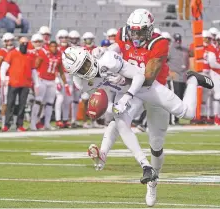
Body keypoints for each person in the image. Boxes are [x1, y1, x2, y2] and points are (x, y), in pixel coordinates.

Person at [87, 9, 212, 207]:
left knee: (177, 123)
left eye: (140, 32)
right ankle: (103, 153)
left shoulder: (159, 42)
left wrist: (120, 78)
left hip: (152, 88)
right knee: (120, 119)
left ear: (149, 30)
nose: (135, 36)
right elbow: (115, 50)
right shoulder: (122, 34)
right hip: (130, 87)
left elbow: (147, 77)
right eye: (133, 32)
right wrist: (104, 55)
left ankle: (193, 80)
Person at [0, 37, 38, 132]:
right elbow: (4, 66)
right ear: (19, 43)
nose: (24, 45)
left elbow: (33, 70)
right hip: (14, 82)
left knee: (22, 104)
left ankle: (19, 125)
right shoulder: (12, 53)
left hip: (25, 83)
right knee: (10, 103)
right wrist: (3, 78)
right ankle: (7, 124)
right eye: (22, 43)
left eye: (26, 43)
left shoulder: (29, 55)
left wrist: (36, 83)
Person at [30, 41, 69, 131]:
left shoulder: (59, 55)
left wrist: (65, 83)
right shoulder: (43, 53)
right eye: (52, 46)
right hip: (42, 80)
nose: (54, 48)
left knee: (50, 103)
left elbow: (61, 70)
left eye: (55, 46)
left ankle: (47, 123)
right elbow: (35, 66)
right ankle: (33, 123)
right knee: (38, 101)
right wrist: (34, 80)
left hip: (52, 81)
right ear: (49, 47)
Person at [0, 32, 16, 129]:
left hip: (16, 78)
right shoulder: (2, 51)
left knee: (14, 101)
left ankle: (14, 122)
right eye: (8, 41)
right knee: (5, 102)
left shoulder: (16, 51)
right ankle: (4, 123)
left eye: (11, 40)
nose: (10, 42)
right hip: (6, 78)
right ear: (4, 42)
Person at [55, 29, 72, 128]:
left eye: (66, 37)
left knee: (68, 99)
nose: (64, 39)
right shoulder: (56, 49)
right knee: (60, 98)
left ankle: (65, 119)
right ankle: (58, 119)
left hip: (70, 76)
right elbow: (55, 65)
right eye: (62, 37)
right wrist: (57, 79)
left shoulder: (71, 49)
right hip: (60, 76)